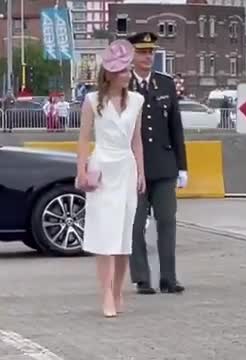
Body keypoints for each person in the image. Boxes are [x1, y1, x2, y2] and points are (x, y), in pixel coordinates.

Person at [76, 39, 146, 317]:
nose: (128, 75)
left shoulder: (138, 101)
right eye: (123, 71)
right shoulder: (93, 101)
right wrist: (81, 169)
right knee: (105, 234)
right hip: (102, 168)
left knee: (123, 236)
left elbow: (137, 141)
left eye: (129, 70)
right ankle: (105, 293)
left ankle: (118, 291)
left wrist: (141, 171)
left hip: (126, 169)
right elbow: (82, 139)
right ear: (110, 74)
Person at [126, 31, 188, 295]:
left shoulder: (165, 84)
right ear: (132, 55)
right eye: (142, 52)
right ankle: (141, 277)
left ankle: (168, 278)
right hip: (133, 168)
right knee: (136, 224)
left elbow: (176, 127)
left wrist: (182, 166)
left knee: (167, 221)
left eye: (151, 52)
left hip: (164, 165)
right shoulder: (123, 85)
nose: (148, 57)